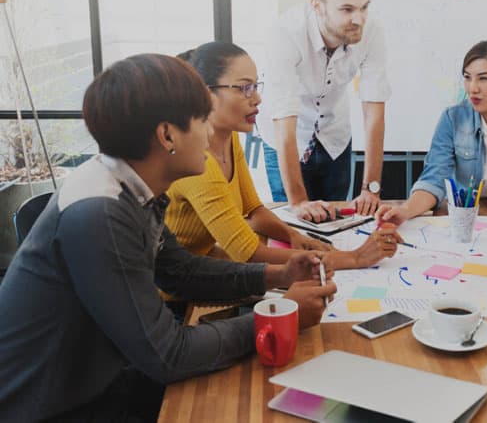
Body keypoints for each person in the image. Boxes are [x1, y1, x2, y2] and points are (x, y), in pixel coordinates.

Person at [0, 54, 337, 421]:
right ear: (167, 136)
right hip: (57, 407)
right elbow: (167, 355)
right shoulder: (101, 214)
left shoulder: (128, 183)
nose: (212, 133)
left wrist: (279, 277)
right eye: (203, 120)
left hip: (105, 378)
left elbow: (179, 270)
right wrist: (278, 318)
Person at [170, 42, 403, 269]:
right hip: (180, 289)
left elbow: (253, 210)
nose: (257, 98)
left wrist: (293, 236)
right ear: (206, 93)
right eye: (244, 88)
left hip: (202, 261)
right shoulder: (199, 162)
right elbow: (249, 253)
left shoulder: (228, 139)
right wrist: (356, 258)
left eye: (255, 86)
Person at [257, 0, 390, 222]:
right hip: (286, 139)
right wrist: (298, 202)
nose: (359, 19)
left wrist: (370, 188)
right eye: (347, 9)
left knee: (337, 225)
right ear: (317, 6)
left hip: (335, 138)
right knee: (295, 227)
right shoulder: (285, 34)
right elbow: (285, 122)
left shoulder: (372, 30)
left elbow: (374, 112)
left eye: (364, 6)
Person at [376, 39, 487, 225]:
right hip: (463, 218)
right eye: (467, 77)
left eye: (483, 78)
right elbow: (434, 179)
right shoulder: (452, 118)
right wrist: (405, 211)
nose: (472, 88)